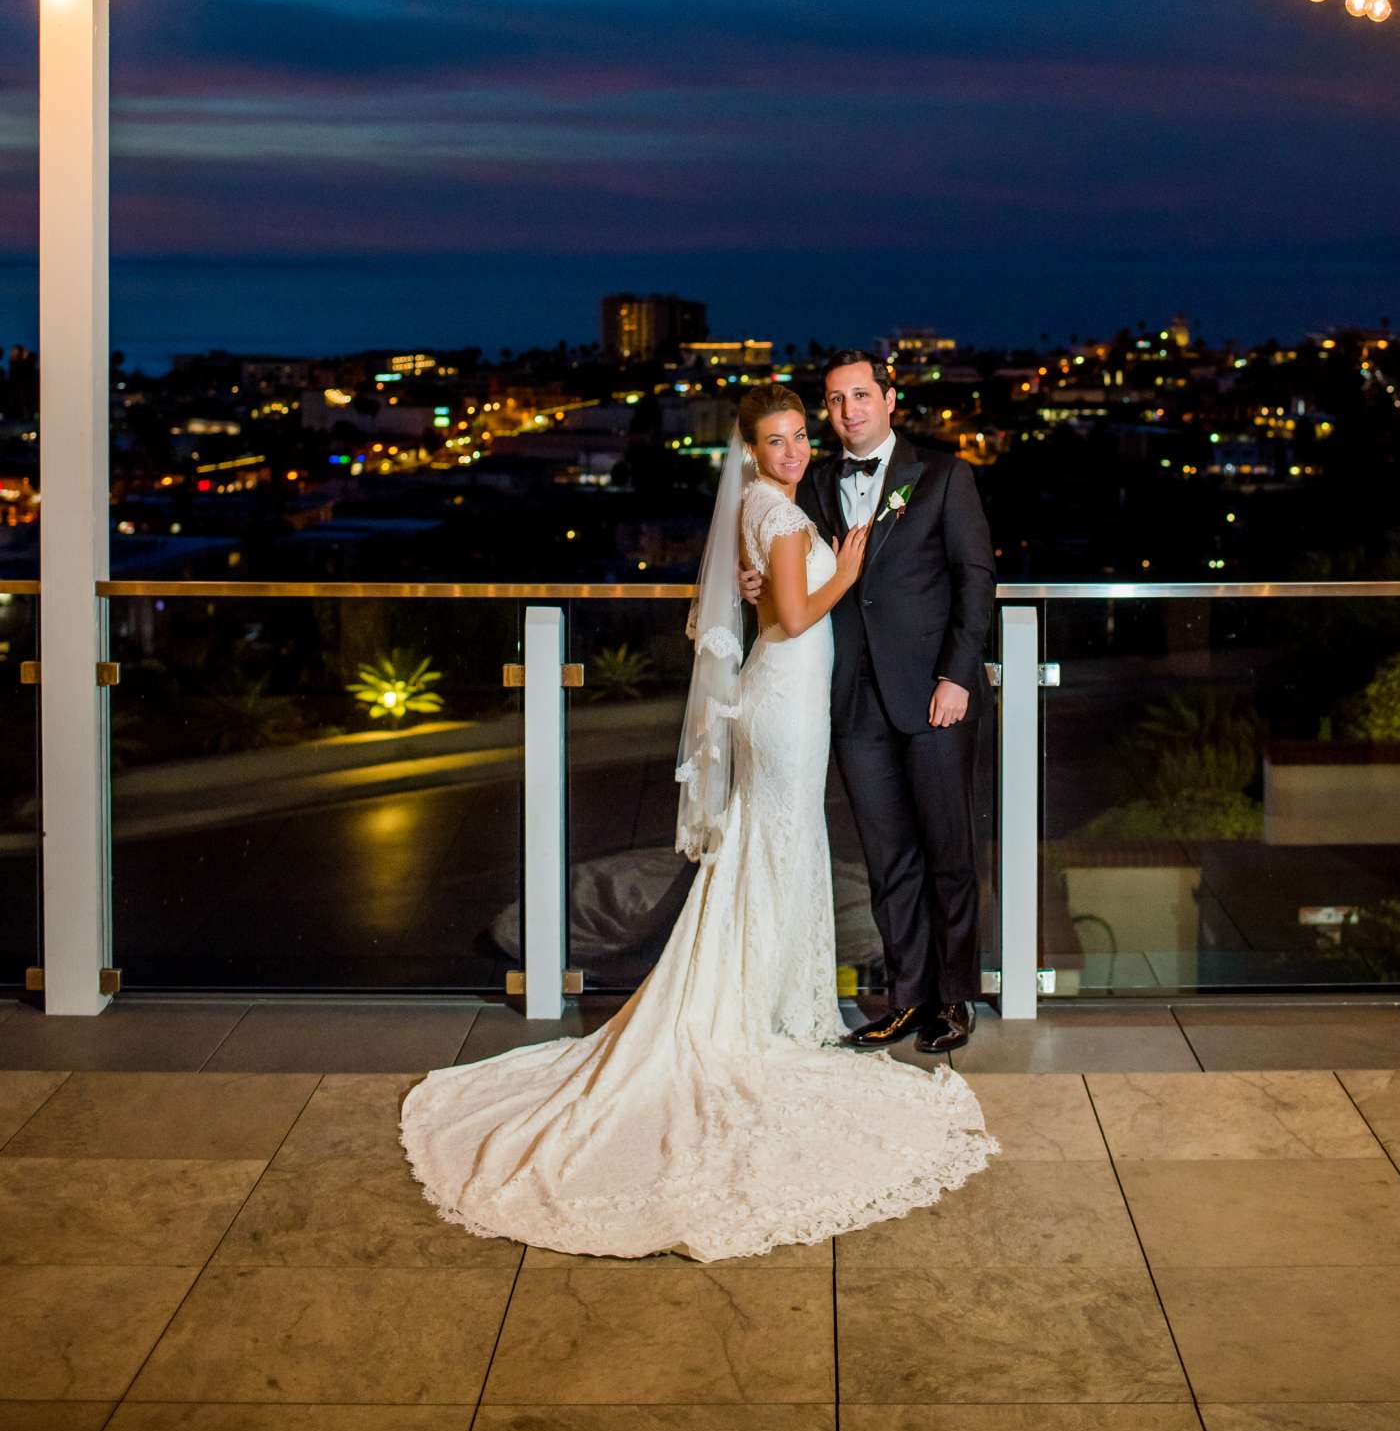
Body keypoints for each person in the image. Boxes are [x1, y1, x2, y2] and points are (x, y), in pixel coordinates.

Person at [398, 381, 995, 1262]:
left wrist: (938, 659)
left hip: (888, 694)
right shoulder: (805, 494)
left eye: (832, 411)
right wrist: (816, 575)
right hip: (819, 700)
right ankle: (874, 1003)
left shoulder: (930, 478)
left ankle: (936, 999)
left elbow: (969, 579)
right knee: (826, 851)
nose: (815, 433)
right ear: (757, 446)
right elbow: (793, 598)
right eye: (800, 423)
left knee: (888, 851)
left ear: (888, 399)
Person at [742, 351, 996, 1056]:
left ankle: (955, 1002)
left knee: (948, 855)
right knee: (889, 860)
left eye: (860, 395)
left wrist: (956, 677)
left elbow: (976, 585)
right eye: (834, 400)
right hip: (851, 701)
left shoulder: (945, 476)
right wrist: (752, 580)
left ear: (889, 398)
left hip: (934, 697)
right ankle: (905, 1001)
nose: (848, 410)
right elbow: (789, 569)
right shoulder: (813, 482)